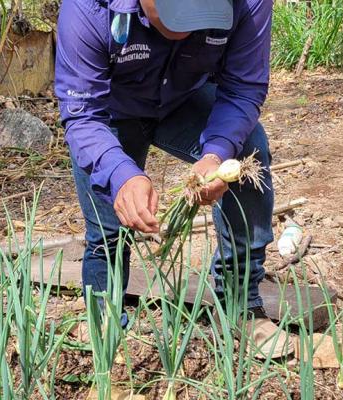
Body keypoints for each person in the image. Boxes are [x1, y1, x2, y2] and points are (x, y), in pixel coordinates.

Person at [55, 0, 293, 357]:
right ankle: (105, 319)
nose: (187, 27)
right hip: (111, 113)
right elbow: (83, 113)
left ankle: (241, 305)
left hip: (185, 97)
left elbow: (243, 88)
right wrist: (120, 174)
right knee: (109, 226)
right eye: (177, 12)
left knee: (247, 153)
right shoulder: (89, 8)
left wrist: (216, 153)